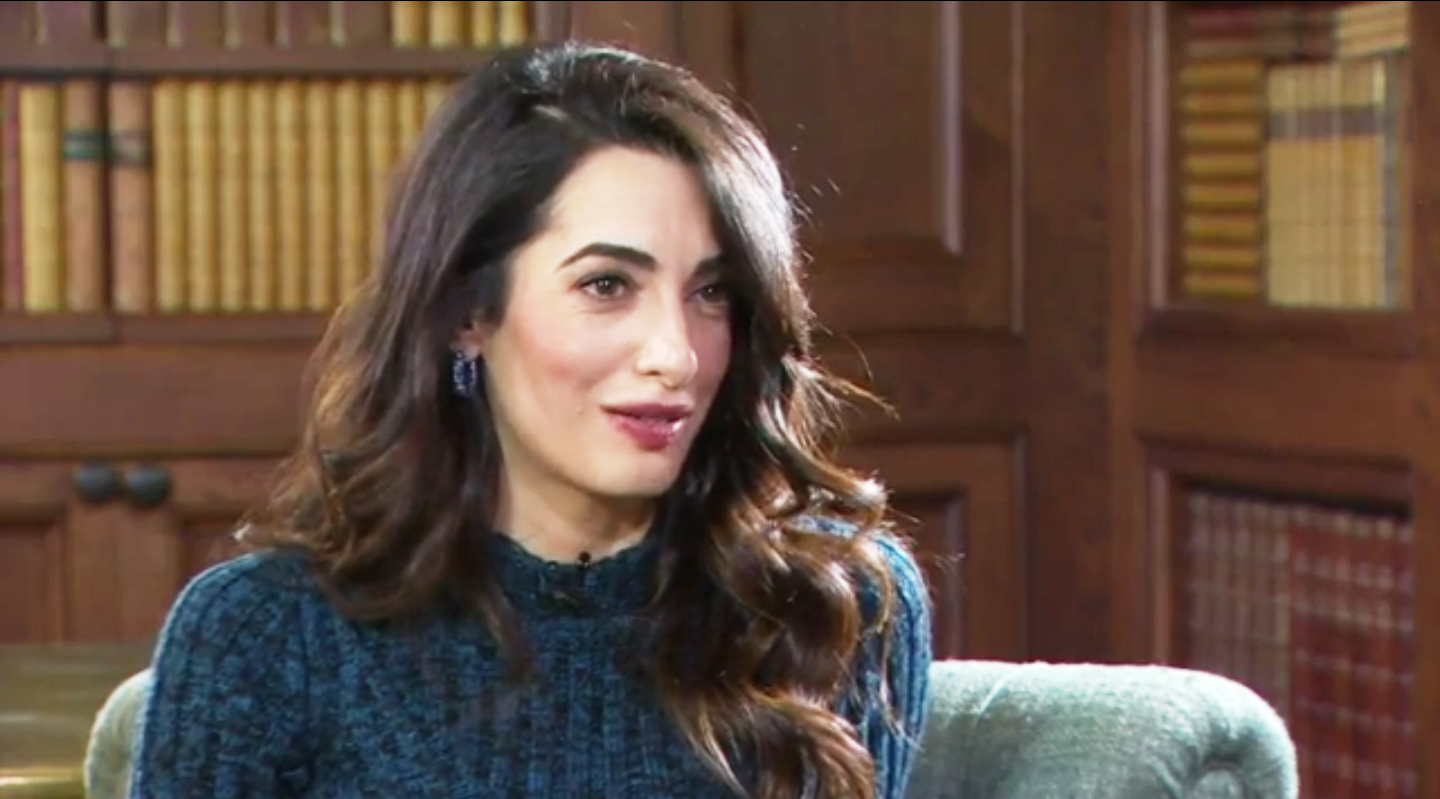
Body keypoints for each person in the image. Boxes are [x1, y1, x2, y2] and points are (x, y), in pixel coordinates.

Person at [127, 40, 933, 799]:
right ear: (468, 315)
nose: (677, 355)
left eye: (712, 292)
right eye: (607, 285)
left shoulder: (834, 605)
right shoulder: (268, 631)